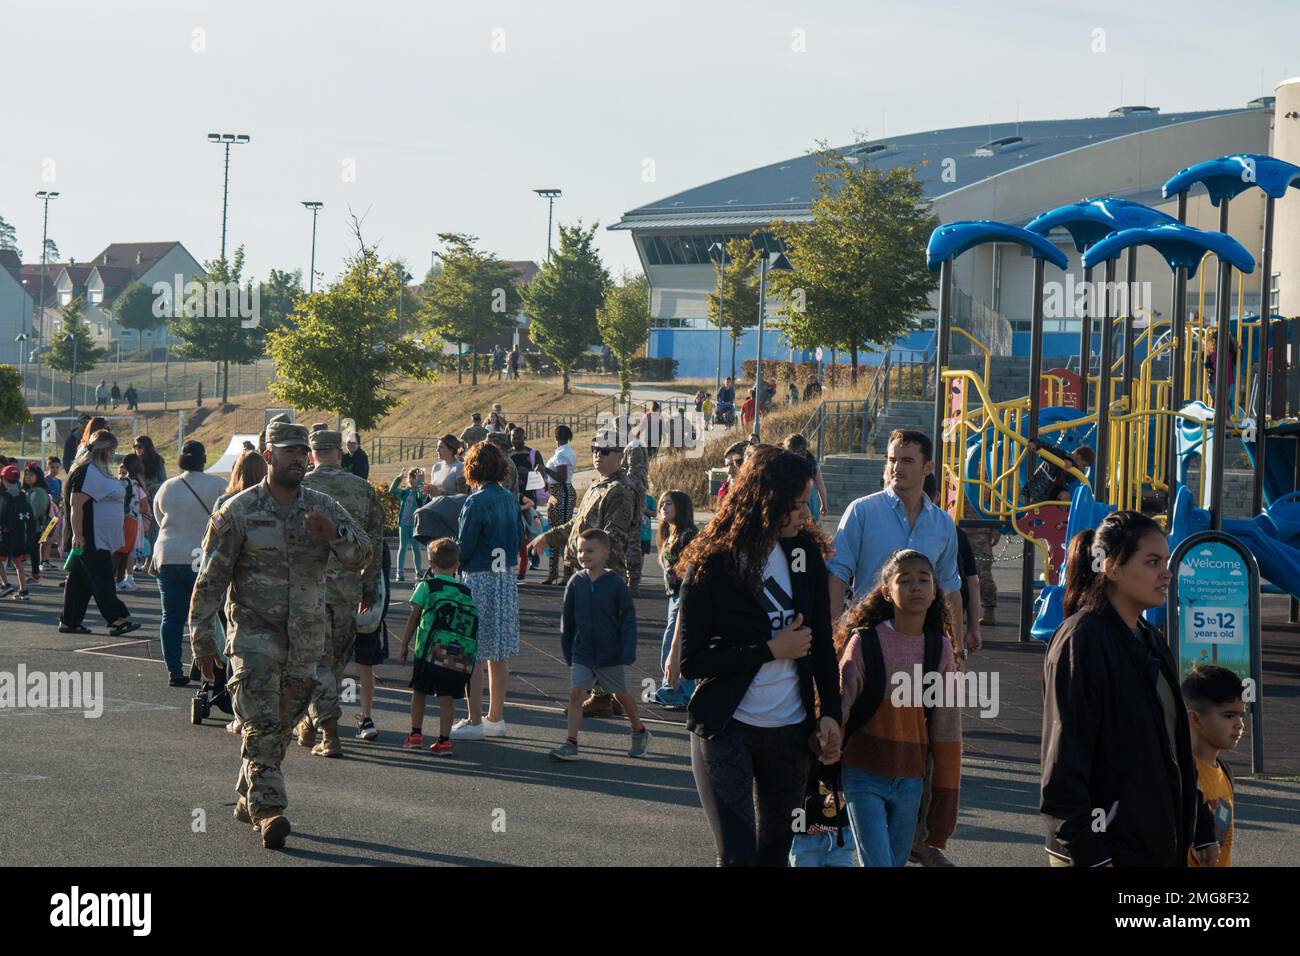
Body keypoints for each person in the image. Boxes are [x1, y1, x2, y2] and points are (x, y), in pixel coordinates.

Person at [189, 421, 370, 850]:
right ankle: (270, 810)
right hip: (253, 639)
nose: (296, 458)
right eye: (287, 451)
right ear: (268, 456)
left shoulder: (323, 507)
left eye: (301, 452)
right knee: (263, 724)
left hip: (306, 641)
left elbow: (362, 553)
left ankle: (246, 794)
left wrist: (334, 533)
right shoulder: (238, 511)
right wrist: (202, 639)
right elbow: (210, 578)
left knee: (280, 728)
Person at [675, 445, 843, 866]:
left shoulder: (806, 556)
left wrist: (830, 715)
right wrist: (768, 650)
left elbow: (822, 644)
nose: (806, 515)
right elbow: (693, 661)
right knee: (737, 856)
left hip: (790, 731)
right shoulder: (713, 562)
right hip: (726, 725)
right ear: (768, 500)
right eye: (799, 504)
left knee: (772, 857)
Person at [1041, 511, 1217, 867]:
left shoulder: (1150, 639)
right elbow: (1064, 761)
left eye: (1166, 561)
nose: (1166, 573)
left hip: (1151, 843)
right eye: (1152, 562)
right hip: (1104, 850)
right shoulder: (1083, 640)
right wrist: (1090, 855)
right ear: (1113, 568)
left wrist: (1201, 825)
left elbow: (1172, 746)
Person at [837, 550, 962, 867]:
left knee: (893, 861)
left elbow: (946, 725)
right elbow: (842, 701)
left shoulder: (939, 647)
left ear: (934, 591)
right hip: (862, 771)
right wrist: (824, 750)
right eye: (904, 580)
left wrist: (944, 802)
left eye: (924, 580)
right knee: (878, 862)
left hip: (910, 778)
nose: (916, 587)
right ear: (886, 592)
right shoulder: (865, 642)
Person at [828, 429, 967, 659]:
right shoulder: (862, 512)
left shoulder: (943, 524)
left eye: (907, 460)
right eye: (892, 459)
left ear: (928, 467)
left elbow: (950, 588)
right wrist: (835, 633)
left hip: (923, 642)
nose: (896, 467)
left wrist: (957, 648)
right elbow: (837, 575)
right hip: (867, 638)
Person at [298, 428, 386, 758]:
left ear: (311, 454)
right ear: (340, 452)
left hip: (309, 586)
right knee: (334, 662)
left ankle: (322, 727)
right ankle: (316, 723)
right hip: (348, 587)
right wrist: (370, 586)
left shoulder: (301, 487)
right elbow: (375, 543)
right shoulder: (362, 489)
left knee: (311, 659)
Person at [550, 528, 651, 761]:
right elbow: (568, 618)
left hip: (609, 652)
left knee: (620, 695)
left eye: (590, 551)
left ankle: (639, 730)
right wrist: (568, 648)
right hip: (582, 651)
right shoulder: (576, 582)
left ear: (606, 552)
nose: (584, 555)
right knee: (576, 694)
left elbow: (627, 618)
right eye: (580, 550)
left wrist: (627, 649)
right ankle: (571, 742)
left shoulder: (615, 583)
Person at [451, 441, 522, 740]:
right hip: (504, 578)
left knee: (474, 652)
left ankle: (474, 719)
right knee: (499, 652)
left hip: (478, 576)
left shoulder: (475, 501)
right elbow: (519, 537)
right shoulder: (509, 499)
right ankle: (496, 717)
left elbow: (464, 546)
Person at [151, 440, 226, 686]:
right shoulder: (218, 485)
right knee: (207, 616)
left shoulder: (167, 487)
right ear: (203, 460)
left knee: (171, 617)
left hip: (168, 554)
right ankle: (207, 668)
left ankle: (174, 670)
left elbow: (158, 517)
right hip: (200, 557)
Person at [399, 537, 479, 754]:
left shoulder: (427, 586)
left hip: (426, 651)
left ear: (431, 564)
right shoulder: (465, 592)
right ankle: (444, 740)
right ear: (457, 565)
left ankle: (416, 734)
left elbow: (414, 616)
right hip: (455, 655)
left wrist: (404, 644)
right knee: (447, 699)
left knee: (419, 692)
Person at [59, 431, 140, 636]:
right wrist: (78, 534)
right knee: (102, 577)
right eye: (113, 450)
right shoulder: (87, 471)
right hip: (91, 536)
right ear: (106, 450)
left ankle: (70, 621)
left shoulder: (97, 470)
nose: (114, 454)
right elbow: (76, 503)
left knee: (81, 580)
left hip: (99, 535)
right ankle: (116, 619)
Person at [1182, 665, 1243, 867]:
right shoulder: (1180, 776)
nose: (1239, 724)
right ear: (1195, 719)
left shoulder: (1224, 770)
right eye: (1229, 716)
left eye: (1241, 715)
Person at [654, 490, 697, 708]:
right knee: (673, 639)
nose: (663, 507)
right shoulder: (669, 533)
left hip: (684, 595)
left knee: (674, 640)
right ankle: (676, 687)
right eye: (662, 503)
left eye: (668, 503)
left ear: (680, 507)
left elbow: (690, 570)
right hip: (673, 595)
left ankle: (678, 689)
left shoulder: (688, 535)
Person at [537, 424, 577, 585]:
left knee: (561, 534)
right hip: (558, 492)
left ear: (556, 438)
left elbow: (561, 476)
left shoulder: (563, 453)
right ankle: (554, 572)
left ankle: (565, 573)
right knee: (555, 533)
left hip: (562, 492)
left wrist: (545, 470)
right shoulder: (565, 452)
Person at [0, 464, 37, 601]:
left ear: (3, 480)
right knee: (18, 562)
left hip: (5, 534)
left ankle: (5, 585)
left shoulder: (3, 497)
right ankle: (23, 590)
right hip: (21, 535)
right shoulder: (24, 496)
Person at [113, 454, 150, 591]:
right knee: (123, 551)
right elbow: (144, 507)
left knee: (124, 551)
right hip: (131, 519)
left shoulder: (123, 482)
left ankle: (120, 580)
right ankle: (116, 580)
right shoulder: (134, 484)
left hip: (124, 518)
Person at [390, 468, 430, 582]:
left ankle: (418, 572)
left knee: (416, 548)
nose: (411, 480)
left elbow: (422, 495)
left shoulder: (420, 493)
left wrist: (420, 482)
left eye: (414, 477)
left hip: (415, 526)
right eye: (410, 477)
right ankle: (400, 572)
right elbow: (392, 490)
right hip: (403, 525)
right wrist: (399, 478)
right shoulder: (405, 492)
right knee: (402, 547)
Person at [783, 433, 828, 522]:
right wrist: (824, 504)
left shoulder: (786, 462)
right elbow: (820, 485)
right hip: (811, 500)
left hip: (794, 502)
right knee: (812, 529)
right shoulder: (812, 461)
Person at [22, 463, 52, 579]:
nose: (28, 477)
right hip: (32, 526)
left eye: (31, 475)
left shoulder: (38, 492)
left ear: (38, 476)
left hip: (33, 526)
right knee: (33, 552)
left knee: (31, 551)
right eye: (26, 475)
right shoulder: (31, 491)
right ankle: (35, 574)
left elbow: (34, 512)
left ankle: (34, 575)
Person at [41, 457, 63, 568]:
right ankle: (42, 561)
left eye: (57, 467)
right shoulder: (44, 480)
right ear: (47, 467)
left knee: (51, 538)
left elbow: (59, 496)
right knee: (45, 538)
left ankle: (47, 560)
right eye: (52, 467)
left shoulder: (59, 481)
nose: (54, 469)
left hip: (56, 513)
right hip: (47, 514)